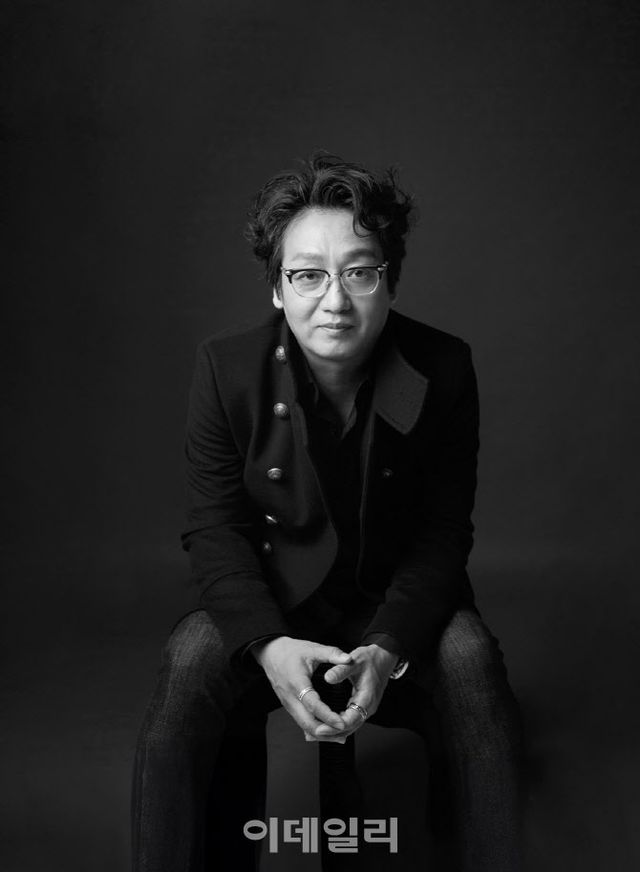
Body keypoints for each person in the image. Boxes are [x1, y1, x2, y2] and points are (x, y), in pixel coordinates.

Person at [132, 153, 523, 871]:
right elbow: (215, 529)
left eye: (359, 272)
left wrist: (391, 642)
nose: (334, 300)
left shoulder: (444, 366)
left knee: (469, 659)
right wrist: (267, 645)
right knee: (189, 658)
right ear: (278, 288)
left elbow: (443, 531)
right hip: (274, 597)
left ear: (389, 280)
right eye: (307, 275)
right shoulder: (226, 368)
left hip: (393, 599)